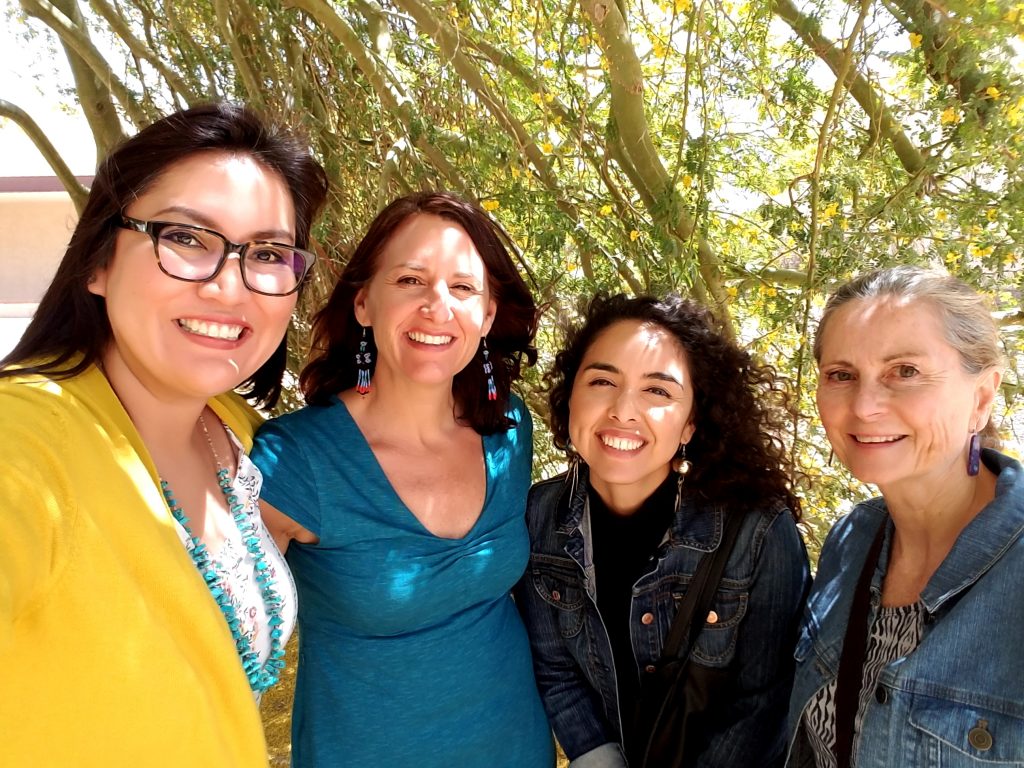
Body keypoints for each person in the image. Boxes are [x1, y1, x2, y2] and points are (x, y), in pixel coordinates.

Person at [0, 103, 328, 766]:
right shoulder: (30, 436)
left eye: (266, 253)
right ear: (97, 261)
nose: (229, 286)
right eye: (185, 238)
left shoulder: (238, 430)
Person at [250, 191, 555, 767]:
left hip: (515, 747)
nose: (437, 307)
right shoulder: (296, 461)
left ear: (487, 316)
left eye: (462, 288)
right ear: (363, 302)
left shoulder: (508, 430)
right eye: (411, 280)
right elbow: (214, 645)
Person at [516, 293, 811, 767]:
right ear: (570, 395)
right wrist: (596, 754)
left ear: (690, 423)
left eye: (658, 391)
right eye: (602, 380)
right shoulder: (539, 517)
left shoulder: (758, 532)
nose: (623, 411)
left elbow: (766, 705)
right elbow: (555, 669)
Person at [786, 265, 1023, 766]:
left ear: (981, 397)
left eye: (906, 372)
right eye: (842, 375)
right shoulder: (851, 540)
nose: (865, 405)